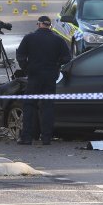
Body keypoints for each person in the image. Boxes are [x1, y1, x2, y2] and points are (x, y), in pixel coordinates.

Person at [15, 15, 70, 145]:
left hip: (34, 76)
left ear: (39, 24)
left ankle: (27, 137)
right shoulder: (58, 40)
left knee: (29, 106)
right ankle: (46, 138)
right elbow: (67, 58)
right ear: (49, 25)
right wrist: (56, 64)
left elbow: (20, 55)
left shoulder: (29, 38)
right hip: (50, 77)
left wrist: (26, 68)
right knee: (47, 107)